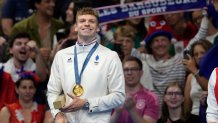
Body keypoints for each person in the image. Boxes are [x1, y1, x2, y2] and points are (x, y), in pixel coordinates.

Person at [47, 7, 125, 123]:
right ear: (75, 27)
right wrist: (57, 113)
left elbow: (119, 97)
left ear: (98, 28)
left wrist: (87, 103)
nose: (87, 24)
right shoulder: (61, 56)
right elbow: (53, 92)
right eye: (82, 21)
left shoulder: (110, 56)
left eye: (92, 21)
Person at [110, 56, 159, 123]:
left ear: (141, 73)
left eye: (134, 69)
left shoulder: (151, 97)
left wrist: (132, 109)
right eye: (126, 70)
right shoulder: (112, 95)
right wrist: (117, 112)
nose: (129, 73)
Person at [183, 40, 213, 116]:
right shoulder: (191, 77)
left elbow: (208, 88)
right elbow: (187, 106)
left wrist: (194, 70)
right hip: (194, 117)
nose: (199, 56)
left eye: (202, 53)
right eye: (196, 54)